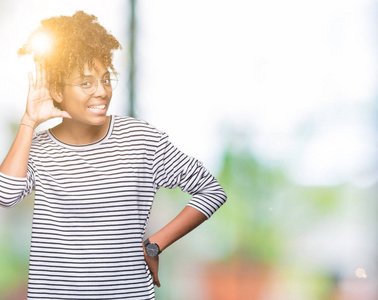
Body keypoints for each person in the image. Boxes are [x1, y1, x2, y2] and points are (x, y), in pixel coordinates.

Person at [0, 11, 226, 300]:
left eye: (106, 79)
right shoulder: (38, 148)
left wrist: (155, 244)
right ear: (56, 90)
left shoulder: (141, 140)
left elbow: (211, 190)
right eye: (86, 83)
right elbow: (5, 196)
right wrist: (29, 122)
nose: (102, 92)